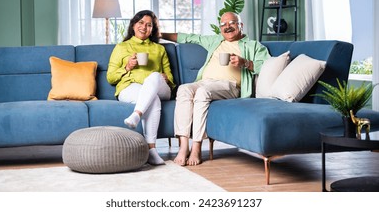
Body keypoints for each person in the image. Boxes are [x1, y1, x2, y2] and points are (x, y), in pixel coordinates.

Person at [161, 12, 270, 166]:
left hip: (230, 85)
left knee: (202, 93)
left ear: (241, 25)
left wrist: (245, 63)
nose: (228, 27)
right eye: (223, 24)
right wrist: (159, 34)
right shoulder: (215, 41)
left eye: (232, 23)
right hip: (205, 81)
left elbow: (266, 66)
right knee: (184, 89)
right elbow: (188, 37)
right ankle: (184, 146)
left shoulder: (253, 46)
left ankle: (197, 147)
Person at [107, 10, 175, 165]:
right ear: (133, 25)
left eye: (149, 25)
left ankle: (136, 114)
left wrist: (164, 77)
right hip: (130, 88)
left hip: (160, 87)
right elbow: (110, 77)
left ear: (153, 29)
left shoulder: (159, 49)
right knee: (154, 100)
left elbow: (170, 77)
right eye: (141, 23)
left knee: (154, 77)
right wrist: (127, 67)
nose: (144, 27)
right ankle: (151, 150)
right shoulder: (122, 47)